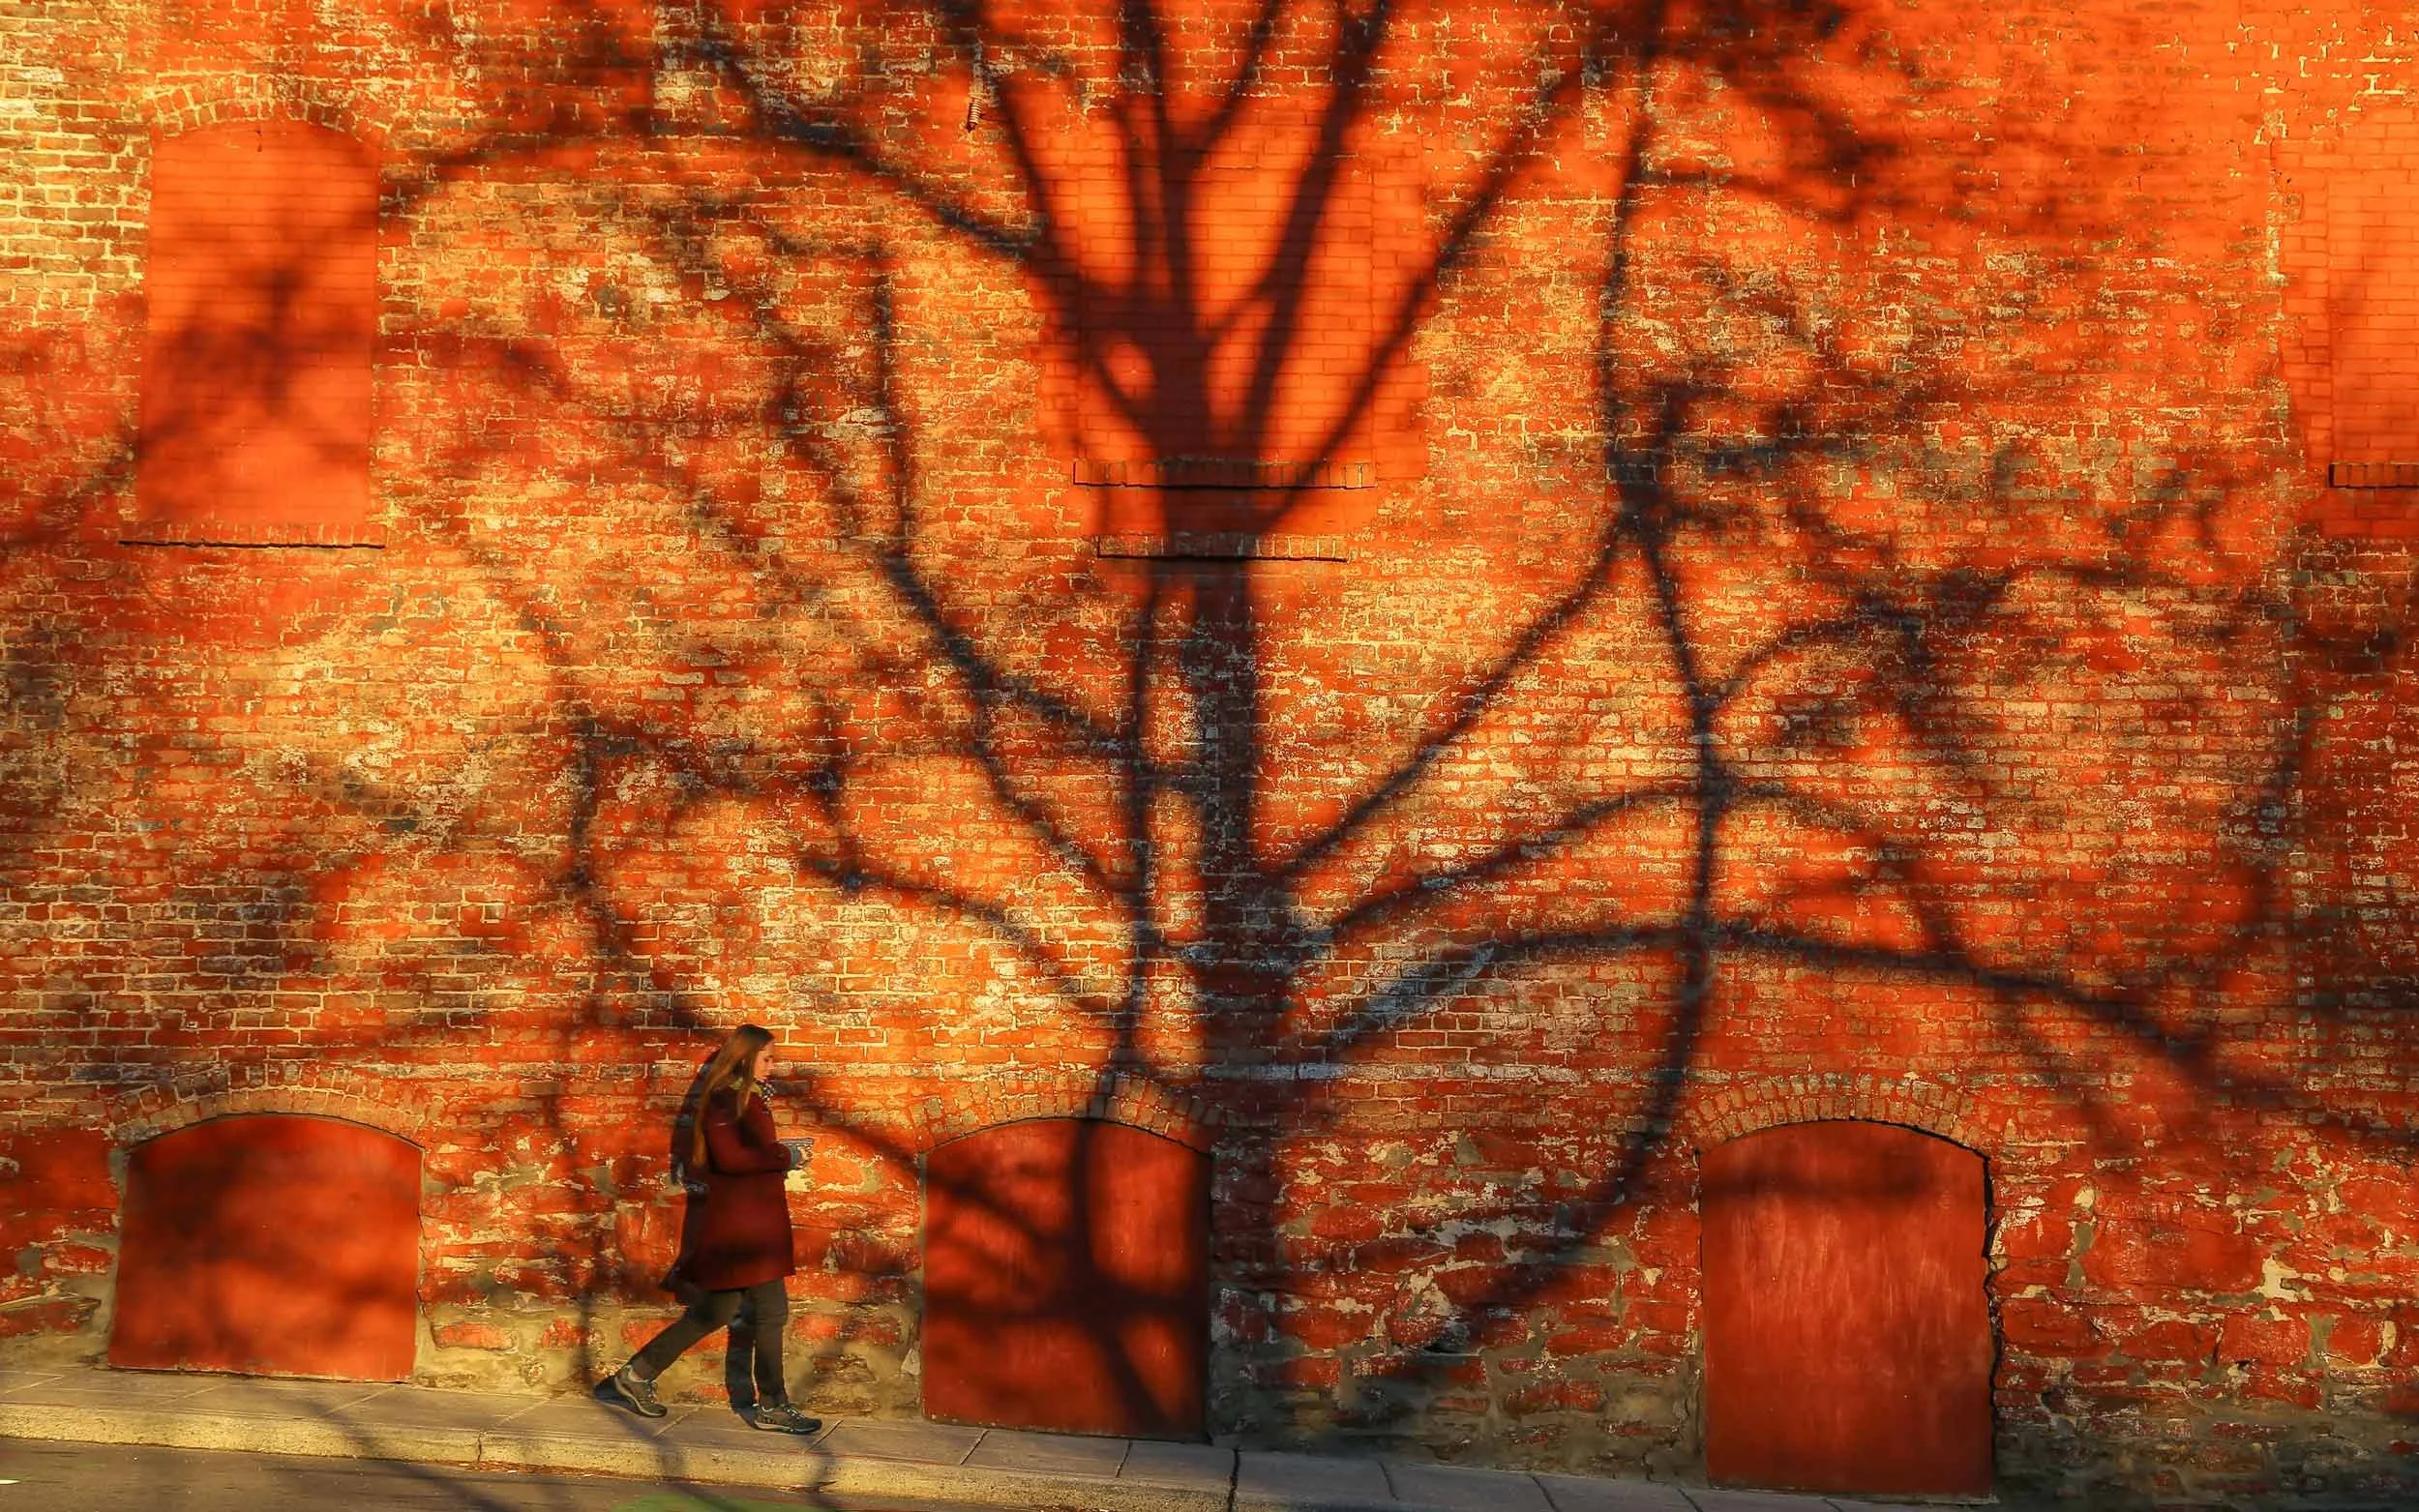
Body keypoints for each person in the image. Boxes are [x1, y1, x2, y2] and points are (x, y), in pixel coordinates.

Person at [606, 1023, 820, 1433]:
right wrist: (784, 1155)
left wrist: (781, 1153)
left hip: (753, 1227)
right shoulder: (725, 1101)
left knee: (714, 1312)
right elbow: (732, 1159)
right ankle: (773, 1404)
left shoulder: (750, 1100)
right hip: (743, 1234)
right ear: (745, 1057)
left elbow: (746, 1155)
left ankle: (634, 1376)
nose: (774, 1066)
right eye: (767, 1058)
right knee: (772, 1313)